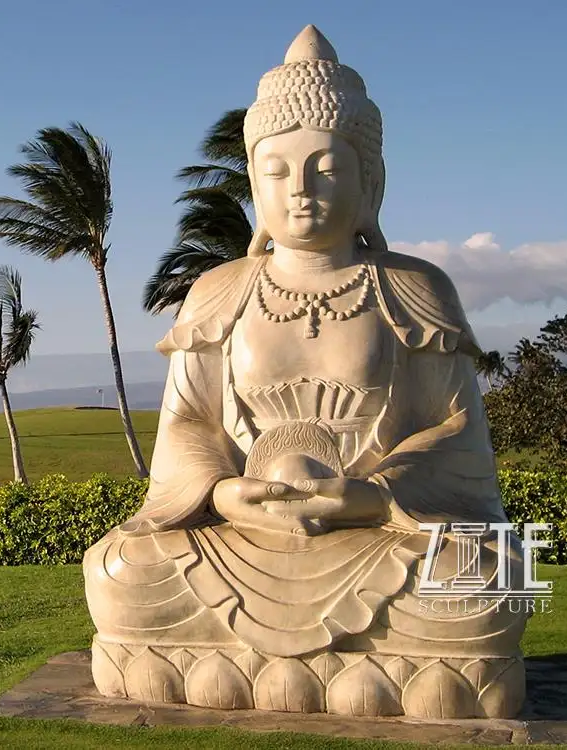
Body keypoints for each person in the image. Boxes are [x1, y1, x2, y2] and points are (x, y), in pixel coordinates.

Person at [83, 25, 527, 718]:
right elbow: (188, 424)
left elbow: (460, 432)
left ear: (369, 181)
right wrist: (223, 494)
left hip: (380, 534)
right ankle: (386, 681)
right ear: (254, 181)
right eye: (277, 171)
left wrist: (374, 497)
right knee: (117, 569)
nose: (300, 190)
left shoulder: (413, 288)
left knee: (492, 579)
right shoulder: (219, 290)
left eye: (326, 168)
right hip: (240, 537)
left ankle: (232, 672)